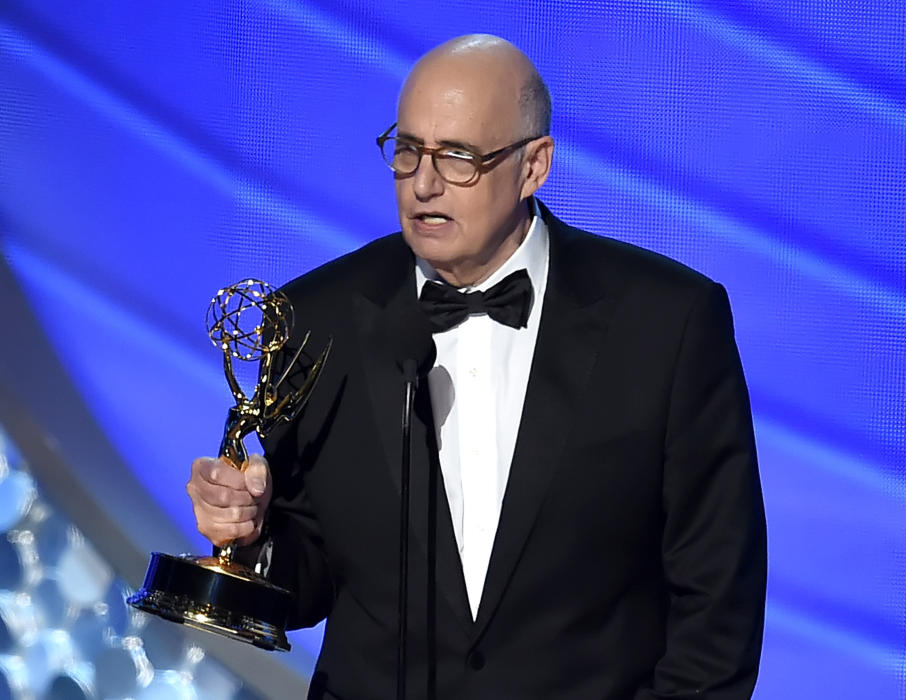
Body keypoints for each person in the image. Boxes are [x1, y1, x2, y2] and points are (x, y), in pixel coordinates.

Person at [186, 34, 766, 700]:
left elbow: (719, 598)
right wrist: (252, 535)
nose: (424, 183)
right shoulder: (314, 321)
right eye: (408, 151)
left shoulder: (666, 322)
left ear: (534, 166)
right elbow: (306, 582)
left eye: (459, 156)